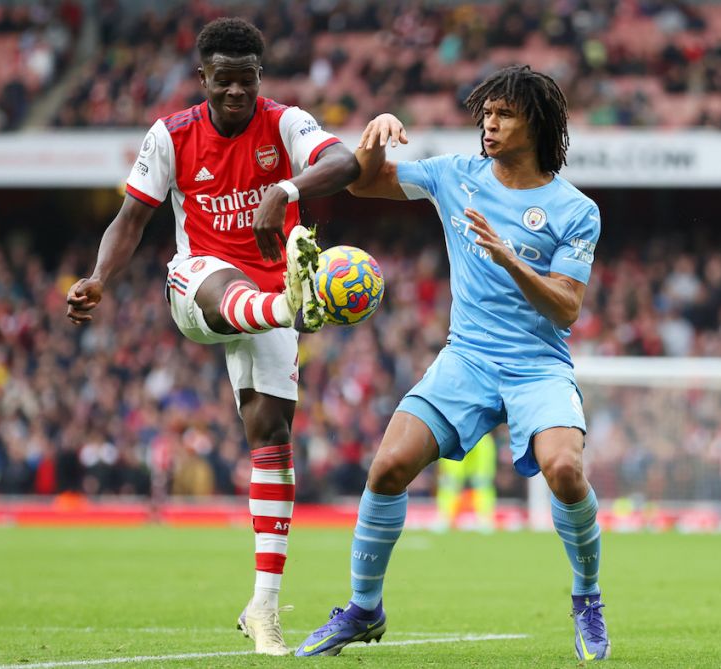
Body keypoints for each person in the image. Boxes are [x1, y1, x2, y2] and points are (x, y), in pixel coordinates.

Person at [65, 17, 359, 656]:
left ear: (260, 77)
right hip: (198, 286)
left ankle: (265, 605)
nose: (235, 94)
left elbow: (345, 160)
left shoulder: (283, 123)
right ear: (203, 78)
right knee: (221, 280)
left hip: (276, 287)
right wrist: (97, 278)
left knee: (272, 436)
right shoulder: (170, 137)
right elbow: (130, 219)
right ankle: (286, 305)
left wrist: (285, 189)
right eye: (223, 82)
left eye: (246, 82)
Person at [296, 65, 610, 661]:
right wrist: (373, 135)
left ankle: (587, 599)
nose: (489, 125)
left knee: (565, 470)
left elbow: (566, 306)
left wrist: (509, 258)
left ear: (535, 123)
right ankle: (364, 609)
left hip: (537, 365)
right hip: (466, 358)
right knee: (387, 466)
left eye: (504, 115)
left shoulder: (576, 210)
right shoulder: (453, 177)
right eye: (485, 114)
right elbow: (363, 184)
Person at [435, 432, 497, 532]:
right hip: (456, 437)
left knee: (482, 481)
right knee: (450, 481)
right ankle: (444, 517)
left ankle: (485, 518)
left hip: (480, 436)